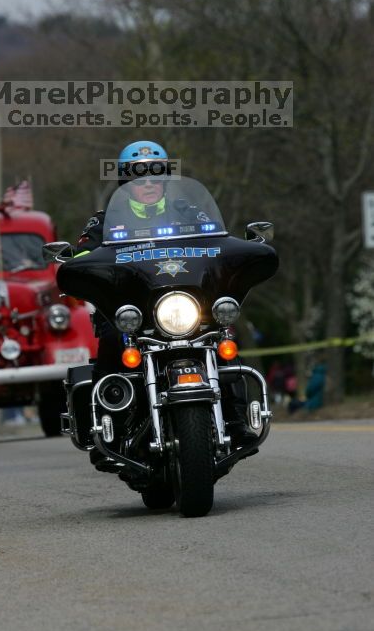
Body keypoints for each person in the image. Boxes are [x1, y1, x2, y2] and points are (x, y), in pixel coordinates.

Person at [75, 140, 257, 468]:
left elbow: (220, 242)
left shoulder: (189, 213)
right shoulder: (104, 222)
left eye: (155, 174)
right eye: (138, 176)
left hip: (181, 308)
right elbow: (82, 255)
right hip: (131, 312)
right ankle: (105, 426)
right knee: (113, 340)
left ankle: (236, 419)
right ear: (125, 182)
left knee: (221, 336)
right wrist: (82, 265)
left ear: (166, 178)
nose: (148, 183)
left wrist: (242, 252)